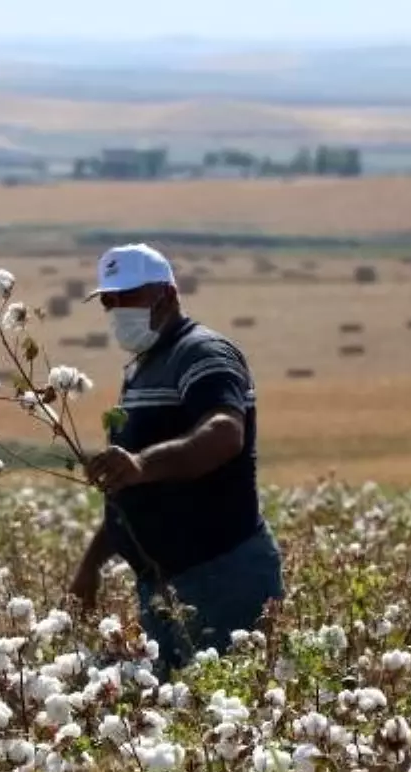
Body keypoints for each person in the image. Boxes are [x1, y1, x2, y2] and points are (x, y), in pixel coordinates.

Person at [67, 242, 284, 678]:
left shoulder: (203, 354)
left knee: (223, 717)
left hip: (221, 574)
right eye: (107, 300)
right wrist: (91, 566)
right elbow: (129, 484)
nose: (115, 308)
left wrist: (143, 464)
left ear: (166, 294)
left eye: (126, 296)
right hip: (162, 587)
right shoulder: (141, 370)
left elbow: (224, 433)